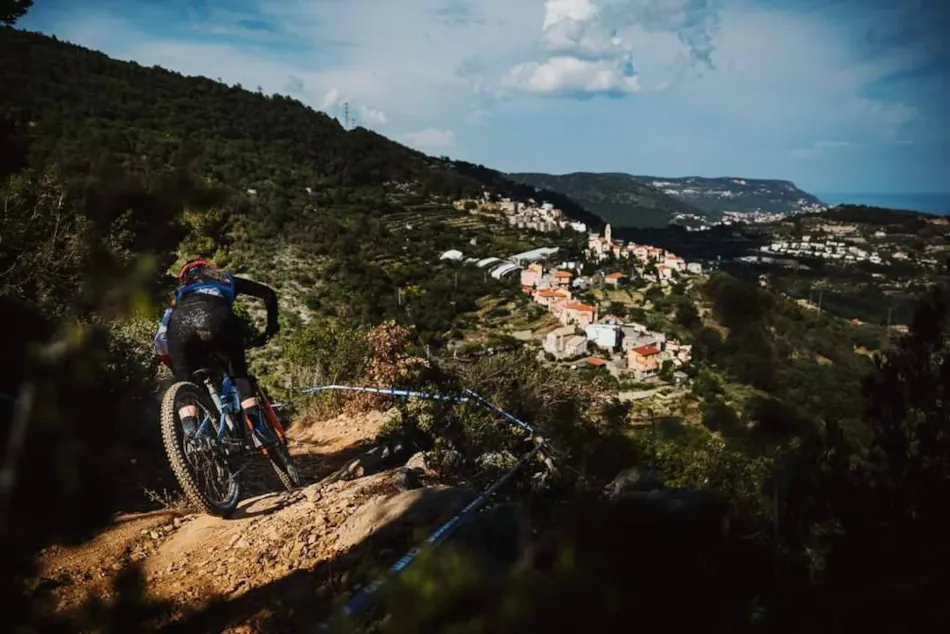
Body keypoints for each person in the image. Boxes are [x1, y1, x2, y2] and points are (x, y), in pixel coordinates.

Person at [155, 258, 280, 447]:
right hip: (215, 316)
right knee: (238, 373)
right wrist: (271, 326)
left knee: (184, 380)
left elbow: (163, 336)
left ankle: (192, 436)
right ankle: (259, 431)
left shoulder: (181, 293)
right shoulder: (226, 279)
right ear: (210, 269)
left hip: (180, 324)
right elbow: (268, 293)